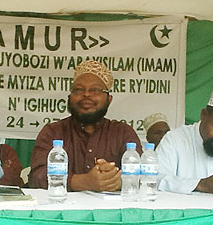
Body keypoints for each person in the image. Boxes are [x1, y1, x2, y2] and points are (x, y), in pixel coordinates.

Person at [28, 60, 142, 192]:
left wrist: (115, 180)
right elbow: (37, 177)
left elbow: (141, 176)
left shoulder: (123, 133)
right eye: (79, 89)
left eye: (95, 90)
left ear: (109, 99)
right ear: (70, 97)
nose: (87, 94)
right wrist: (83, 182)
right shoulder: (53, 131)